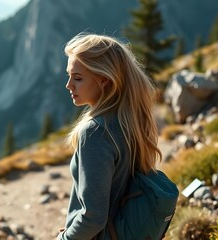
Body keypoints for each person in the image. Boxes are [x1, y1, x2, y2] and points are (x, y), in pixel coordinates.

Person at [57, 33, 162, 240]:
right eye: (69, 76)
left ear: (104, 79)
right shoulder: (130, 121)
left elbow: (93, 217)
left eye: (77, 78)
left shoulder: (94, 132)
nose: (69, 85)